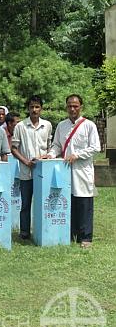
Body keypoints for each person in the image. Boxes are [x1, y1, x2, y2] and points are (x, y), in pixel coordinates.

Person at [48, 94, 100, 248]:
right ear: (66, 107)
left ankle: (85, 237)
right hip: (64, 171)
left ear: (81, 107)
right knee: (67, 202)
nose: (72, 109)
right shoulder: (61, 125)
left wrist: (77, 155)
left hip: (82, 170)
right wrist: (50, 155)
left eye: (75, 106)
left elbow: (95, 147)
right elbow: (56, 145)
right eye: (70, 106)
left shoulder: (89, 125)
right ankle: (69, 233)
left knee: (84, 202)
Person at [11, 95, 52, 240]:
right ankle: (24, 232)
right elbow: (14, 148)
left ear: (41, 108)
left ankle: (43, 230)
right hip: (26, 172)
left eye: (37, 107)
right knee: (26, 203)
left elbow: (49, 147)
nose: (34, 110)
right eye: (32, 107)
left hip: (43, 171)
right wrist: (26, 161)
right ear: (28, 109)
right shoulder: (21, 126)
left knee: (43, 203)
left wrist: (45, 158)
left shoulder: (47, 125)